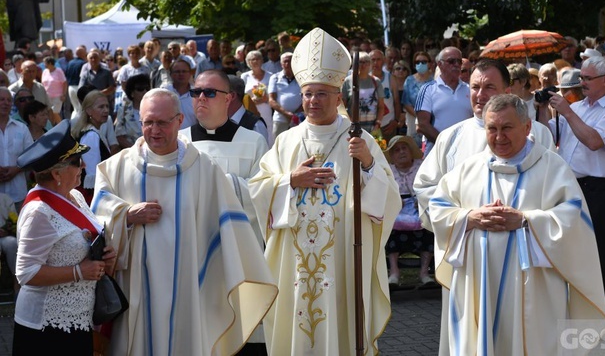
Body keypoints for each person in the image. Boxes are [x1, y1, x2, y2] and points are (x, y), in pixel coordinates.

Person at [91, 88, 277, 356]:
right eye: (148, 122)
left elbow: (228, 227)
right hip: (136, 288)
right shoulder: (116, 168)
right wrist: (127, 215)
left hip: (190, 285)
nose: (154, 130)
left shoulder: (204, 168)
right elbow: (96, 217)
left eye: (163, 122)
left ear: (180, 121)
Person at [249, 28, 400, 355]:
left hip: (343, 254)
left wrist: (369, 162)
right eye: (307, 94)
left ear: (338, 97)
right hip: (295, 258)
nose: (313, 101)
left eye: (321, 94)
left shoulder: (359, 139)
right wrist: (289, 180)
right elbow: (256, 191)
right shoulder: (286, 141)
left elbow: (388, 199)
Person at [428, 94, 605, 355]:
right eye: (492, 128)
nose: (499, 137)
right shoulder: (469, 169)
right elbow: (439, 209)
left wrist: (525, 220)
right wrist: (469, 218)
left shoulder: (551, 168)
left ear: (527, 127)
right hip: (479, 286)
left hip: (534, 291)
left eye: (507, 128)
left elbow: (574, 219)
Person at [180, 70, 270, 354]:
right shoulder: (179, 142)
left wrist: (220, 183)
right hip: (192, 251)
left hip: (237, 252)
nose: (201, 99)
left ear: (229, 98)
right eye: (196, 93)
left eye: (209, 93)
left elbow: (263, 194)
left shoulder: (253, 141)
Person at [13, 120, 115, 355]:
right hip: (45, 328)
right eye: (77, 162)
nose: (83, 166)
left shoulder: (76, 197)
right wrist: (80, 272)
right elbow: (26, 273)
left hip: (78, 319)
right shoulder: (38, 212)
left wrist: (105, 255)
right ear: (57, 173)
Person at [538, 54, 605, 319]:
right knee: (567, 252)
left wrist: (565, 110)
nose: (582, 83)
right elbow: (548, 138)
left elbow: (594, 141)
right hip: (569, 188)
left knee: (599, 258)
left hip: (597, 190)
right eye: (581, 78)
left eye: (587, 78)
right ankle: (571, 314)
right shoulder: (578, 108)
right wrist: (543, 110)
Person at [384, 135, 434, 287]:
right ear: (392, 156)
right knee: (389, 225)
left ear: (411, 151)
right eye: (396, 150)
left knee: (429, 225)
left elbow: (430, 188)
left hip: (418, 206)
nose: (401, 152)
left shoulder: (422, 166)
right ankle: (394, 272)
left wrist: (422, 200)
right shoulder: (388, 171)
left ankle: (424, 273)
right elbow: (382, 193)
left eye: (404, 148)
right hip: (396, 208)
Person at [415, 47, 472, 155]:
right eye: (451, 61)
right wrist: (447, 145)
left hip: (465, 152)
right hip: (436, 153)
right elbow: (422, 124)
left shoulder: (470, 90)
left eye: (459, 61)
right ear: (440, 64)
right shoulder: (428, 89)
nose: (456, 64)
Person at [71, 91, 110, 203]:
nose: (106, 110)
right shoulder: (90, 135)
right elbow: (92, 174)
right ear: (88, 111)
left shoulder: (93, 132)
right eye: (101, 107)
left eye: (107, 106)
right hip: (92, 197)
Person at [0, 87, 33, 211]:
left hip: (18, 195)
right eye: (2, 99)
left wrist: (17, 169)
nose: (6, 103)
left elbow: (32, 157)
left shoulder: (22, 128)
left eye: (9, 100)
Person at [341, 52, 384, 133]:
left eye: (366, 62)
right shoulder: (348, 81)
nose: (363, 65)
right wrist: (349, 123)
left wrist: (378, 123)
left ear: (370, 64)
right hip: (352, 128)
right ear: (354, 64)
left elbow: (381, 106)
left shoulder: (376, 81)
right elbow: (342, 106)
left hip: (372, 128)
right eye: (360, 62)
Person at [241, 50, 273, 144]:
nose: (255, 61)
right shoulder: (244, 76)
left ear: (262, 60)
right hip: (250, 110)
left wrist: (265, 98)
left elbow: (274, 95)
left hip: (266, 109)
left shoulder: (270, 76)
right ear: (248, 62)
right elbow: (242, 95)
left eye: (257, 59)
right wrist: (252, 100)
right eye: (252, 59)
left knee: (268, 133)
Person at [403, 51, 434, 146]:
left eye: (424, 62)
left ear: (429, 63)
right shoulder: (409, 80)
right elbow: (406, 102)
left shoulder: (435, 80)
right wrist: (419, 116)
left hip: (432, 120)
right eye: (417, 62)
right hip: (413, 120)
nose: (420, 64)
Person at [268, 51, 302, 138]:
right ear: (281, 64)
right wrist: (286, 114)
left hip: (299, 118)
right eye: (285, 61)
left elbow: (306, 96)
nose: (287, 64)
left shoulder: (301, 77)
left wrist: (295, 114)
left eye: (290, 61)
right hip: (280, 119)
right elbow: (271, 100)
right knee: (279, 145)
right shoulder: (275, 78)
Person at [114, 74, 149, 149]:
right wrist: (136, 150)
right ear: (132, 93)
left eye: (147, 88)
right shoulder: (123, 110)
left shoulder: (155, 109)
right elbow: (119, 137)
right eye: (140, 89)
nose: (145, 91)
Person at [41, 57, 67, 124]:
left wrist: (63, 94)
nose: (44, 65)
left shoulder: (59, 71)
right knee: (50, 113)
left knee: (54, 112)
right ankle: (54, 127)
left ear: (50, 63)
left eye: (45, 63)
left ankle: (62, 126)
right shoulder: (45, 71)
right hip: (47, 96)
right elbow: (42, 83)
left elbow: (64, 82)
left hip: (57, 96)